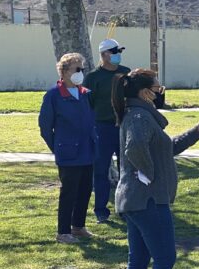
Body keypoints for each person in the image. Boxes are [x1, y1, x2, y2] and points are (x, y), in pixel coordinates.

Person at [113, 68, 199, 269]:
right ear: (145, 92)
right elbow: (134, 149)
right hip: (148, 200)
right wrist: (149, 173)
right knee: (164, 258)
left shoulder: (138, 115)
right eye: (158, 87)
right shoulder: (139, 117)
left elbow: (165, 148)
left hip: (134, 200)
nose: (161, 91)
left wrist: (197, 132)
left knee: (139, 260)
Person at [38, 53, 96, 244]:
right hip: (68, 152)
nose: (80, 73)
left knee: (85, 189)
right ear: (63, 72)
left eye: (82, 69)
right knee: (69, 192)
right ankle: (63, 231)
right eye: (76, 69)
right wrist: (58, 147)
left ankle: (78, 226)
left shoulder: (85, 94)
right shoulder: (54, 95)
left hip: (87, 150)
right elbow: (46, 127)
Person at [84, 38, 130, 223]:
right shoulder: (93, 77)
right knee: (101, 170)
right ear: (103, 55)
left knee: (126, 170)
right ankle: (101, 210)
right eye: (113, 51)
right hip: (102, 128)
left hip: (124, 127)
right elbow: (88, 104)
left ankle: (125, 207)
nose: (117, 54)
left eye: (119, 51)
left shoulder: (126, 73)